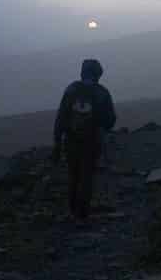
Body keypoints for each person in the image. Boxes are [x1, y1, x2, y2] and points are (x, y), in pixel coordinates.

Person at [53, 59, 116, 222]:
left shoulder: (71, 89)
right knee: (87, 176)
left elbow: (61, 117)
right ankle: (83, 214)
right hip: (91, 141)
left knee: (73, 175)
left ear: (82, 72)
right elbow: (110, 120)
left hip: (71, 141)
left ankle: (73, 210)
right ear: (98, 74)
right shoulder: (102, 92)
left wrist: (57, 142)